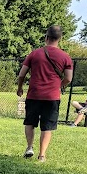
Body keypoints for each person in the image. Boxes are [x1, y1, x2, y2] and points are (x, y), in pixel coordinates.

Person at [16, 25, 73, 162]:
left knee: (30, 122)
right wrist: (58, 85)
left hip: (34, 94)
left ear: (46, 37)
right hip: (52, 97)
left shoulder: (34, 54)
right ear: (60, 39)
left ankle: (29, 147)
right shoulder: (65, 57)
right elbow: (68, 78)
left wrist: (20, 88)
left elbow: (21, 74)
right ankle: (42, 155)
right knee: (47, 126)